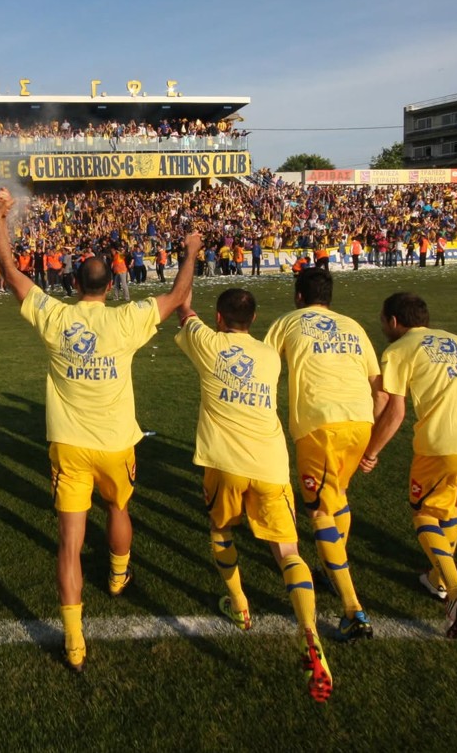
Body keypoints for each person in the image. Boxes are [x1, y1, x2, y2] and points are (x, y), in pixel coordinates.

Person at [0, 187, 200, 672]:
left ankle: (74, 640)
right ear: (109, 288)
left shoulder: (56, 316)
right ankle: (118, 576)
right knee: (118, 507)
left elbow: (10, 270)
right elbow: (177, 296)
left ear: (73, 284)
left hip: (69, 444)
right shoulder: (127, 319)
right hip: (116, 442)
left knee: (69, 541)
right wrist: (190, 251)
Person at [175, 288, 332, 701]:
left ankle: (240, 605)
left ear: (219, 318)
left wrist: (187, 285)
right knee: (288, 551)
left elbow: (184, 312)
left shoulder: (208, 343)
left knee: (221, 530)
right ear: (255, 319)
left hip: (224, 461)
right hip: (270, 463)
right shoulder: (269, 356)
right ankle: (310, 631)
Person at [359, 292, 457, 639]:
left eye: (382, 320)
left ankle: (455, 592)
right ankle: (437, 579)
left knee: (424, 513)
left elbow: (395, 410)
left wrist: (371, 452)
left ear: (394, 321)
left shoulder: (398, 350)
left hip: (445, 444)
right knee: (446, 506)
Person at [262, 268, 383, 641]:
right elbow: (379, 386)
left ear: (299, 296)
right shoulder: (352, 326)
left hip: (320, 425)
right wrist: (371, 427)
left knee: (318, 511)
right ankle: (335, 568)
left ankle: (352, 607)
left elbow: (262, 367)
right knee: (337, 495)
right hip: (361, 421)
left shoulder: (287, 322)